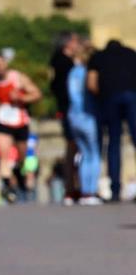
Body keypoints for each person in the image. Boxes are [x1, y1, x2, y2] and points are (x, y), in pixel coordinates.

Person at [0, 49, 41, 203]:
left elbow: (36, 94)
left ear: (6, 63)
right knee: (4, 154)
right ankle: (8, 187)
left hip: (20, 120)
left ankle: (20, 172)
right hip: (2, 121)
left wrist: (21, 97)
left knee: (22, 155)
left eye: (1, 63)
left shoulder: (18, 78)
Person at [87, 39, 136, 202]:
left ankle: (115, 190)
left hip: (110, 98)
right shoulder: (131, 54)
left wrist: (101, 97)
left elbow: (91, 83)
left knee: (114, 142)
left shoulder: (98, 57)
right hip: (132, 96)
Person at [49, 32, 83, 203]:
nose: (78, 44)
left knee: (74, 147)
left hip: (67, 109)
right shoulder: (64, 63)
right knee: (74, 146)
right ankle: (73, 187)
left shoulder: (58, 61)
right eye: (76, 41)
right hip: (71, 109)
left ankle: (73, 186)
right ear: (68, 43)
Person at [67, 41, 102, 204]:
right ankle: (91, 191)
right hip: (87, 115)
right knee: (94, 154)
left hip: (73, 115)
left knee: (84, 154)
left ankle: (84, 192)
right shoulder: (88, 72)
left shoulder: (73, 72)